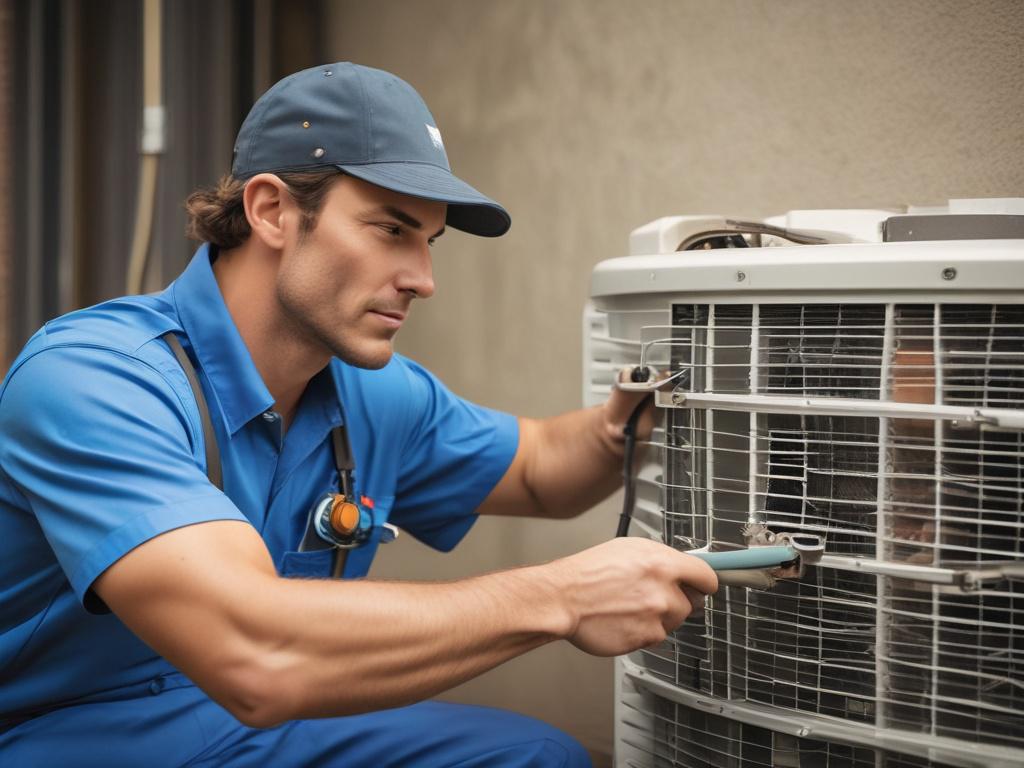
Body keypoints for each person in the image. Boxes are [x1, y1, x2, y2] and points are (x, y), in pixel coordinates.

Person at [0, 62, 717, 767]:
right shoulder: (96, 378)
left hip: (251, 725)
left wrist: (626, 421)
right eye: (390, 230)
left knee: (535, 755)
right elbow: (254, 654)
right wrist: (560, 598)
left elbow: (535, 471)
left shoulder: (371, 393)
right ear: (272, 210)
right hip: (63, 731)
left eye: (429, 243)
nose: (424, 280)